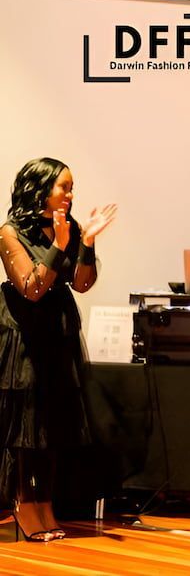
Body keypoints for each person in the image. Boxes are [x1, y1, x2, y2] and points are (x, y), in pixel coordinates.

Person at [0, 158, 116, 541]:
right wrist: (59, 245)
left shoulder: (70, 227)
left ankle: (45, 506)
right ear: (40, 188)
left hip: (59, 331)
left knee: (51, 426)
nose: (70, 194)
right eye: (63, 187)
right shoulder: (10, 232)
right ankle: (22, 507)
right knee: (25, 428)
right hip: (24, 333)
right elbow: (31, 288)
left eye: (71, 187)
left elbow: (81, 284)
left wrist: (86, 243)